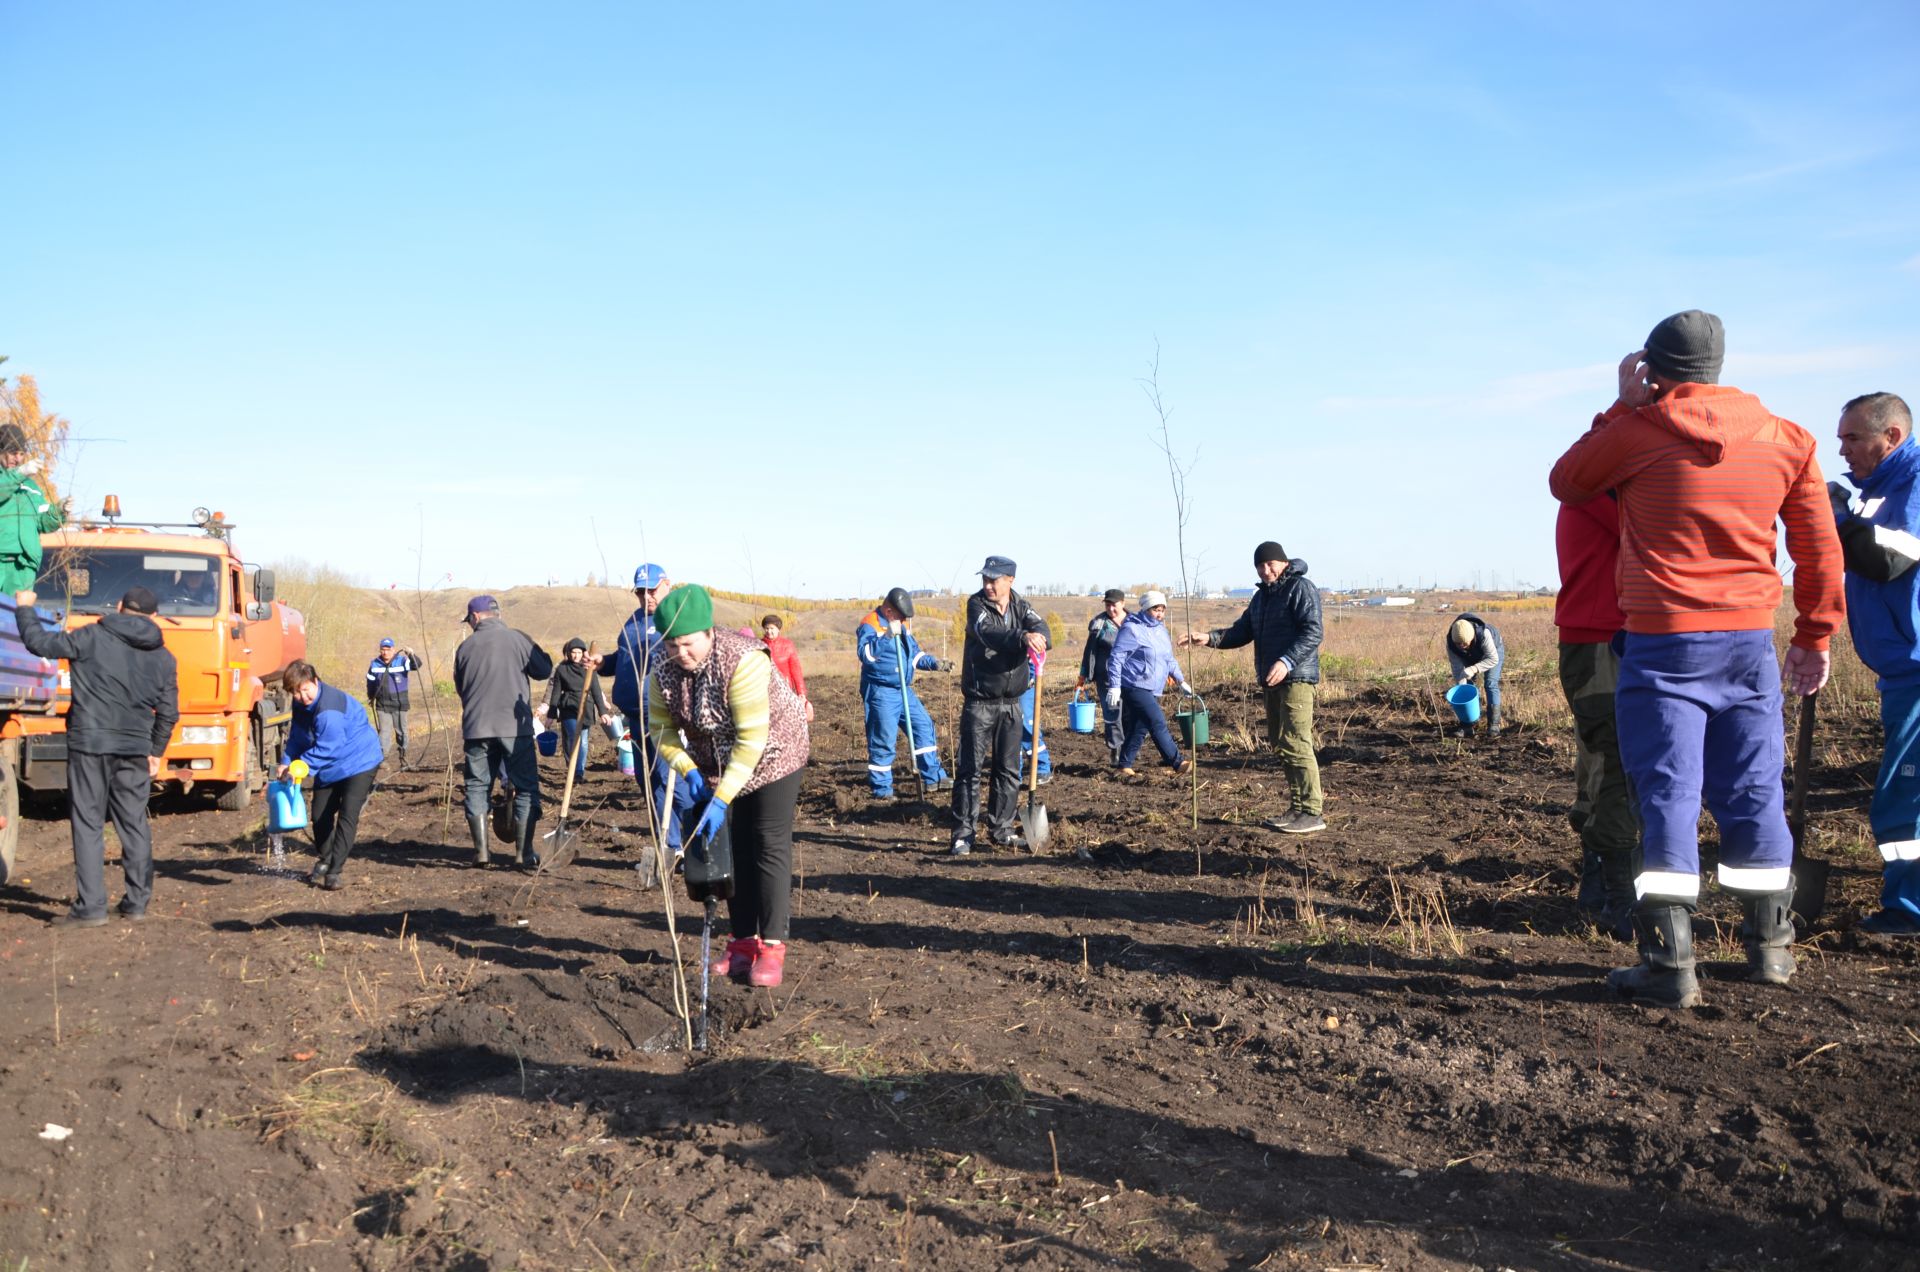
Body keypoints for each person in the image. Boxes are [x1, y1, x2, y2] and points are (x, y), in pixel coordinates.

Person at [1550, 309, 1844, 1007]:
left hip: (1662, 644)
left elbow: (1567, 481)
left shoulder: (1638, 433)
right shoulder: (1787, 438)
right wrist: (1814, 635)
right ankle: (1771, 947)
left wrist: (1618, 407)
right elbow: (1817, 549)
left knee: (1668, 795)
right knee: (1754, 790)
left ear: (1654, 369)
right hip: (1749, 644)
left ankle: (1669, 962)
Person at [647, 585, 809, 987]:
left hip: (775, 754)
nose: (680, 653)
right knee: (731, 847)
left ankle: (772, 948)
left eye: (688, 644)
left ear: (708, 632)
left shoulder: (743, 660)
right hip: (716, 763)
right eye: (671, 646)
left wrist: (721, 797)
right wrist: (689, 772)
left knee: (766, 842)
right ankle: (742, 944)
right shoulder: (662, 668)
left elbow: (752, 742)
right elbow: (660, 731)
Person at [14, 585, 177, 926]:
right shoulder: (164, 657)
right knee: (133, 824)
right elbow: (168, 712)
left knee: (88, 823)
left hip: (90, 744)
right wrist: (156, 751)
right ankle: (136, 903)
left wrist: (26, 608)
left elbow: (40, 644)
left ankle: (91, 908)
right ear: (154, 616)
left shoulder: (91, 636)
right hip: (135, 748)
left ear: (119, 606)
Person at [1829, 392, 1920, 935]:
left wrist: (1837, 516)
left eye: (1854, 438)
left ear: (1893, 437)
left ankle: (1909, 911)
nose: (1844, 449)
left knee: (1903, 797)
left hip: (1917, 670)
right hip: (1900, 673)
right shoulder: (1876, 491)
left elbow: (1889, 559)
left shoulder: (1912, 483)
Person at [1180, 541, 1325, 834]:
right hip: (1272, 680)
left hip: (1296, 678)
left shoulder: (1300, 588)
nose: (1265, 570)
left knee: (1296, 742)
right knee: (1281, 743)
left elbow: (1313, 630)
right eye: (1260, 565)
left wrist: (1286, 661)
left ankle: (1312, 811)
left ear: (1283, 563)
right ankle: (1298, 808)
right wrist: (1208, 638)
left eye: (1270, 564)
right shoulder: (1261, 599)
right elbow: (1241, 632)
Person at [1555, 490, 1636, 941]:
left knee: (1597, 757)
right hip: (1606, 638)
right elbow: (1653, 529)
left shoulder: (1589, 483)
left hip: (1600, 638)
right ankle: (1619, 894)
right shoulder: (1600, 489)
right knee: (1614, 762)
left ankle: (1599, 879)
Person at [596, 563, 696, 861]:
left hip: (663, 714)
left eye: (651, 590)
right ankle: (670, 845)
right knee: (648, 781)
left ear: (666, 584)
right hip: (633, 714)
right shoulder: (633, 620)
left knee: (671, 780)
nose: (646, 597)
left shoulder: (677, 618)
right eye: (640, 592)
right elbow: (625, 658)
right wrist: (605, 662)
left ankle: (699, 837)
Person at [951, 555, 1050, 856]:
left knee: (1008, 770)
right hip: (980, 702)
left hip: (1011, 703)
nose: (988, 585)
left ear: (1010, 580)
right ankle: (963, 835)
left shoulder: (1021, 606)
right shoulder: (976, 605)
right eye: (985, 579)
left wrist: (1040, 639)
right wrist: (1023, 637)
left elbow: (1042, 628)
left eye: (994, 580)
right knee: (969, 770)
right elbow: (988, 633)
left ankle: (1002, 829)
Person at [452, 594, 554, 867]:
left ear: (474, 617)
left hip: (477, 728)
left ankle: (482, 853)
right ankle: (524, 853)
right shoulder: (518, 638)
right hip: (514, 727)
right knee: (525, 787)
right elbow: (544, 670)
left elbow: (461, 688)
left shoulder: (465, 648)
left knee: (476, 786)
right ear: (497, 614)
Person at [279, 659, 383, 889]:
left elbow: (329, 747)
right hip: (329, 766)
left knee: (348, 812)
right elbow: (297, 735)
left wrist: (300, 766)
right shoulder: (300, 705)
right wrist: (286, 761)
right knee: (319, 816)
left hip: (359, 760)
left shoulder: (329, 710)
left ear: (315, 682)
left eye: (305, 690)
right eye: (295, 693)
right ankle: (326, 858)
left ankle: (334, 871)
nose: (302, 697)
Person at [855, 588, 952, 801]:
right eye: (902, 617)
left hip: (903, 690)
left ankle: (933, 777)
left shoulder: (903, 626)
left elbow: (915, 655)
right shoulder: (870, 624)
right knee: (883, 739)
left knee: (923, 726)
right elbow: (866, 655)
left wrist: (935, 663)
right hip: (881, 692)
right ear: (889, 611)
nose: (905, 621)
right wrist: (888, 635)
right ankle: (882, 791)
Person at [1104, 590, 1196, 777]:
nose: (1160, 613)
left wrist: (1180, 680)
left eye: (1162, 609)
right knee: (1157, 721)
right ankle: (1177, 762)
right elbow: (1116, 658)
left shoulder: (1161, 630)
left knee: (1140, 726)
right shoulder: (1132, 629)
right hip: (1134, 685)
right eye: (1156, 609)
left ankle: (1124, 765)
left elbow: (1168, 658)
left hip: (1154, 687)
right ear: (1146, 609)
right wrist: (1114, 685)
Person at [0, 424, 66, 595]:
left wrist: (59, 511)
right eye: (13, 452)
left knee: (16, 617)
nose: (18, 458)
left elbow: (42, 521)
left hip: (24, 564)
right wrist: (19, 473)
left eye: (22, 454)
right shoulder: (13, 477)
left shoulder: (31, 486)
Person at [537, 637, 610, 781]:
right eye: (573, 652)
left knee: (583, 740)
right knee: (573, 736)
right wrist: (550, 715)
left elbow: (596, 690)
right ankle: (572, 765)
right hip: (568, 707)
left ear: (583, 653)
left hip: (586, 708)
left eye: (579, 652)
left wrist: (603, 712)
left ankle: (578, 771)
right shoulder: (562, 669)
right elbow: (556, 693)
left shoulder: (589, 669)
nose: (576, 655)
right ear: (569, 653)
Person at [1080, 589, 1128, 762]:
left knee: (1129, 713)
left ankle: (1128, 748)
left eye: (1114, 605)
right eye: (1107, 605)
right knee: (1112, 712)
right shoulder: (1099, 624)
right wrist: (1083, 675)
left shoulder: (1134, 622)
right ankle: (1116, 749)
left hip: (1130, 676)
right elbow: (1089, 651)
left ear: (1123, 603)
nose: (1110, 608)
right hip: (1106, 676)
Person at [365, 637, 423, 769]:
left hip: (400, 704)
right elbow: (370, 682)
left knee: (402, 732)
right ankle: (382, 760)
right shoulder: (375, 664)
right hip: (382, 705)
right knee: (384, 733)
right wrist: (371, 696)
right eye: (383, 649)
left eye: (388, 649)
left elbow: (417, 665)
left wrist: (411, 654)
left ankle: (404, 759)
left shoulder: (402, 661)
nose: (385, 652)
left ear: (394, 650)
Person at [1444, 614, 1505, 738]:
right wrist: (1462, 686)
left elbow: (1493, 659)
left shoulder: (1484, 634)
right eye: (1458, 644)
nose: (1461, 646)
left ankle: (1494, 725)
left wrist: (1474, 668)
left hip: (1492, 653)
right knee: (1467, 685)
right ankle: (1467, 725)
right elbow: (1457, 669)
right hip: (1469, 655)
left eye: (1464, 643)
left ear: (1471, 638)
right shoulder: (1451, 644)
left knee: (1490, 683)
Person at [761, 614, 814, 723]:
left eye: (772, 628)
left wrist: (801, 692)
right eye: (766, 628)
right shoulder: (759, 645)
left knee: (784, 719)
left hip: (785, 689)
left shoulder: (787, 645)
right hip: (764, 689)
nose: (769, 631)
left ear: (778, 629)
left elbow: (796, 670)